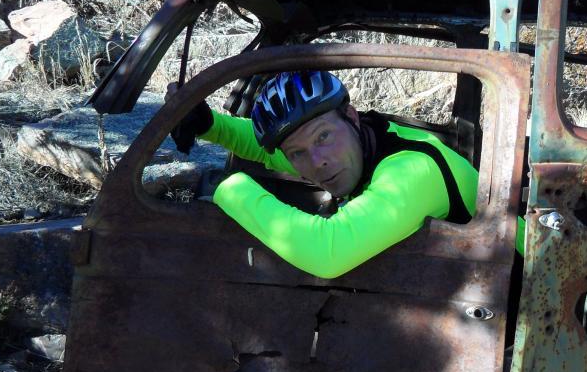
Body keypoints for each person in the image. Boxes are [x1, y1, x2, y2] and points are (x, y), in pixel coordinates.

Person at [169, 70, 478, 279]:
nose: (318, 162)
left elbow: (327, 252)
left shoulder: (413, 168)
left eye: (323, 137)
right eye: (297, 153)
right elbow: (267, 150)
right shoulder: (366, 140)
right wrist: (210, 126)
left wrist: (228, 187)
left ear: (352, 117)